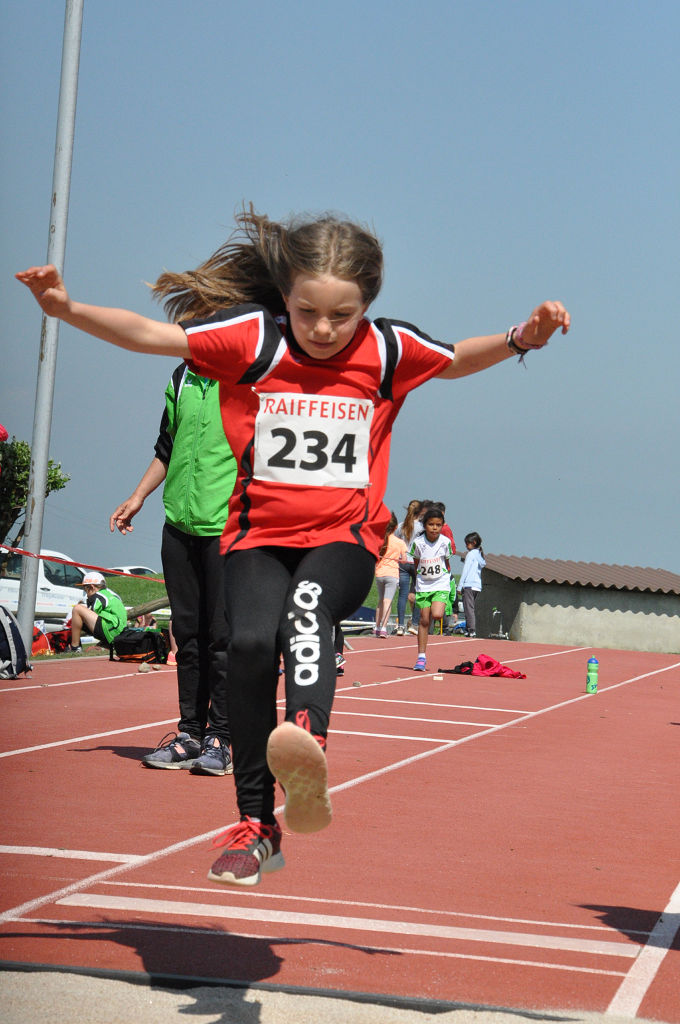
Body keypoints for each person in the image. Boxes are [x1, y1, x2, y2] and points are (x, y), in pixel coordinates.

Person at [17, 205, 570, 886]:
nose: (324, 329)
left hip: (346, 537)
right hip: (257, 536)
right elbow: (154, 336)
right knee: (249, 646)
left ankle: (305, 739)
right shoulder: (254, 339)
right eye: (308, 312)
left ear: (367, 306)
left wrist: (521, 337)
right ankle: (257, 827)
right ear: (285, 296)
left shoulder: (387, 350)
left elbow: (455, 360)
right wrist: (66, 309)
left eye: (342, 315)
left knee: (307, 608)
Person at [110, 363, 237, 777]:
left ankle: (222, 738)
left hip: (227, 528)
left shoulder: (246, 379)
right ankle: (191, 734)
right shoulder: (181, 379)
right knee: (188, 636)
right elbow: (166, 448)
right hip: (179, 527)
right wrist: (138, 496)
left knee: (222, 637)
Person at [409, 507, 453, 671]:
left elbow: (447, 563)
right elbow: (416, 563)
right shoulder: (418, 543)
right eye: (431, 524)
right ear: (425, 525)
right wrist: (417, 581)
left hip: (440, 583)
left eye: (438, 525)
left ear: (442, 525)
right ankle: (421, 657)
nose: (434, 528)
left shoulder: (445, 542)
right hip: (424, 584)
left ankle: (445, 603)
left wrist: (448, 580)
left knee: (437, 614)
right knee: (424, 620)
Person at [69, 571, 126, 653]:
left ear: (92, 587)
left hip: (111, 630)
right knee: (80, 618)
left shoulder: (97, 596)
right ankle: (105, 644)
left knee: (77, 609)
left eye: (85, 588)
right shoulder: (110, 594)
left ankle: (75, 647)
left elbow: (92, 613)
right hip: (119, 631)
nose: (85, 592)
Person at [373, 512, 406, 637]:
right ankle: (383, 628)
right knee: (387, 601)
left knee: (381, 601)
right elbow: (404, 560)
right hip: (392, 574)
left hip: (379, 573)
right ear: (396, 527)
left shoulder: (379, 540)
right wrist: (397, 558)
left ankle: (377, 627)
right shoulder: (399, 542)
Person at [394, 500, 422, 636]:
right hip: (416, 562)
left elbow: (394, 540)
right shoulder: (421, 527)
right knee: (419, 593)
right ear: (420, 512)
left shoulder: (401, 526)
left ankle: (400, 626)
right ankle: (415, 624)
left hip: (403, 561)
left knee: (402, 595)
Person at [458, 531, 486, 638]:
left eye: (467, 543)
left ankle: (471, 630)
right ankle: (469, 629)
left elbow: (465, 570)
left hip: (469, 585)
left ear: (473, 542)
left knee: (468, 608)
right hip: (477, 586)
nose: (466, 546)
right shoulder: (479, 555)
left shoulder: (470, 554)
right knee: (470, 607)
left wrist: (460, 585)